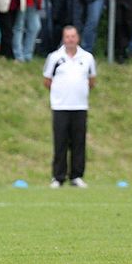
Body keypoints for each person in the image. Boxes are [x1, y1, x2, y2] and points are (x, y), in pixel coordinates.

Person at [44, 26, 96, 188]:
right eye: (67, 37)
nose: (70, 39)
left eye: (73, 36)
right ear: (63, 38)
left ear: (78, 38)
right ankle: (58, 177)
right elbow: (47, 81)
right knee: (60, 142)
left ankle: (76, 176)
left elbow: (91, 80)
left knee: (79, 142)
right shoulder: (54, 57)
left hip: (80, 106)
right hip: (60, 106)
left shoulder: (87, 57)